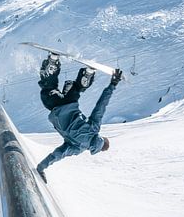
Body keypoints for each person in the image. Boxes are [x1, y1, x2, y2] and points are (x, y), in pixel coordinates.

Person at [36, 53, 122, 183]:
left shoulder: (94, 128)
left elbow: (101, 106)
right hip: (55, 108)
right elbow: (58, 154)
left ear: (101, 138)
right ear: (97, 149)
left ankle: (87, 75)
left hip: (71, 103)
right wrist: (41, 168)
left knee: (76, 89)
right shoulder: (78, 148)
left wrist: (113, 85)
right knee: (48, 87)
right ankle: (52, 63)